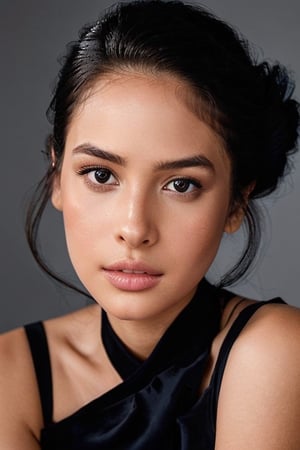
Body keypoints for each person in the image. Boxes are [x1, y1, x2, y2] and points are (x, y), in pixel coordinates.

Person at [0, 0, 299, 448]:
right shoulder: (12, 374)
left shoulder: (274, 350)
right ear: (57, 178)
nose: (134, 228)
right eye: (100, 175)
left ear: (237, 202)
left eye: (180, 184)